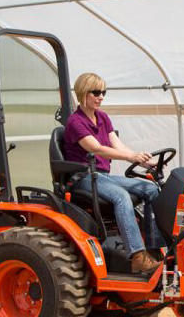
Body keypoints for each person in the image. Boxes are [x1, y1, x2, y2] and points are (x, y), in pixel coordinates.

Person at [63, 72, 163, 274]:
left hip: (103, 176)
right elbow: (96, 149)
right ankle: (137, 256)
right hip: (84, 177)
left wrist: (144, 162)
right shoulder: (75, 122)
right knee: (121, 196)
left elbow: (117, 145)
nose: (101, 97)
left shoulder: (102, 117)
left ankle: (154, 249)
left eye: (103, 93)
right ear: (83, 92)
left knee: (151, 189)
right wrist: (130, 157)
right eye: (96, 92)